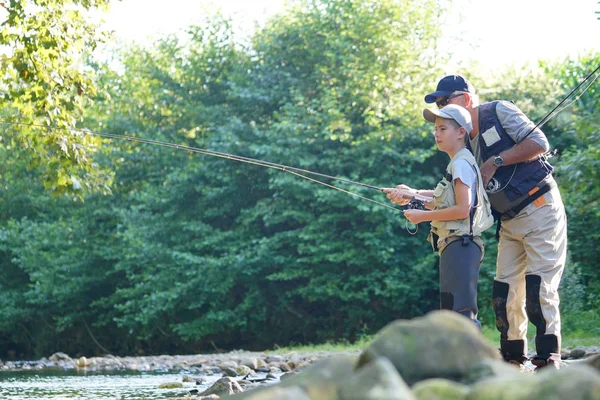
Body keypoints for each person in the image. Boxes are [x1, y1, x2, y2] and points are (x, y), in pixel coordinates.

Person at [422, 74, 567, 370]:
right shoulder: (462, 145)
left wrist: (496, 161)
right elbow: (455, 195)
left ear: (465, 99)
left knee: (538, 286)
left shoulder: (499, 111)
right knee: (504, 292)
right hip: (509, 222)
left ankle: (548, 361)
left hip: (540, 206)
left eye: (444, 100)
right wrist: (412, 195)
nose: (441, 107)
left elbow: (539, 142)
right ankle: (513, 358)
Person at [384, 104, 494, 329]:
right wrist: (411, 193)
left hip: (462, 245)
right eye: (435, 129)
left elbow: (463, 209)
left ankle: (471, 361)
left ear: (461, 132)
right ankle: (458, 362)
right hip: (455, 246)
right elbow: (443, 199)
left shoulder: (461, 164)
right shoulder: (457, 162)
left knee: (461, 314)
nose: (436, 133)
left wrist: (422, 217)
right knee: (452, 313)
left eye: (443, 128)